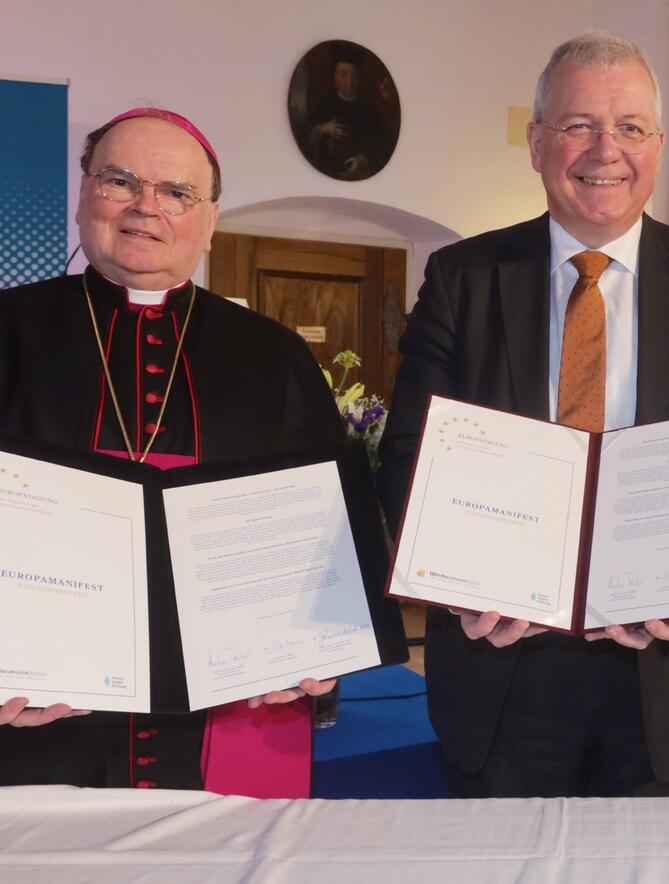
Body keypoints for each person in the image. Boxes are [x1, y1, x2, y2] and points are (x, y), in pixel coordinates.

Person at [377, 32, 669, 798]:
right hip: (502, 668)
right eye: (577, 125)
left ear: (658, 145)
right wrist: (458, 584)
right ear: (536, 143)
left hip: (668, 678)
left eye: (630, 127)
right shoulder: (462, 279)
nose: (607, 149)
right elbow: (408, 453)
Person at [0, 107, 403, 795]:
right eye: (120, 181)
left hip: (232, 721)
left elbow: (328, 537)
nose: (145, 207)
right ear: (83, 195)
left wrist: (326, 654)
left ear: (210, 219)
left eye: (176, 192)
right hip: (37, 731)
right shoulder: (10, 329)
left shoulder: (273, 355)